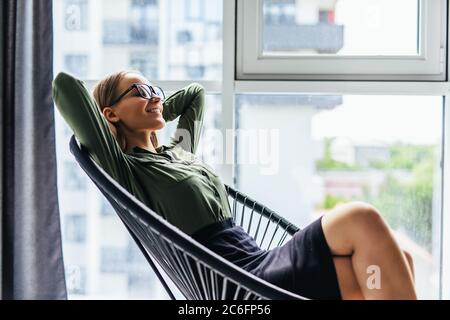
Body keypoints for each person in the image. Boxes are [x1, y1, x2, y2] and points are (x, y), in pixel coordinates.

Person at [52, 71, 417, 300]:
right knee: (360, 218)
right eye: (139, 90)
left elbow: (195, 94)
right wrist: (123, 115)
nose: (155, 95)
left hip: (259, 261)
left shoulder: (179, 151)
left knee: (396, 264)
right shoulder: (128, 171)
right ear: (110, 115)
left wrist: (150, 102)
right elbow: (64, 88)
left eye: (156, 88)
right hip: (236, 282)